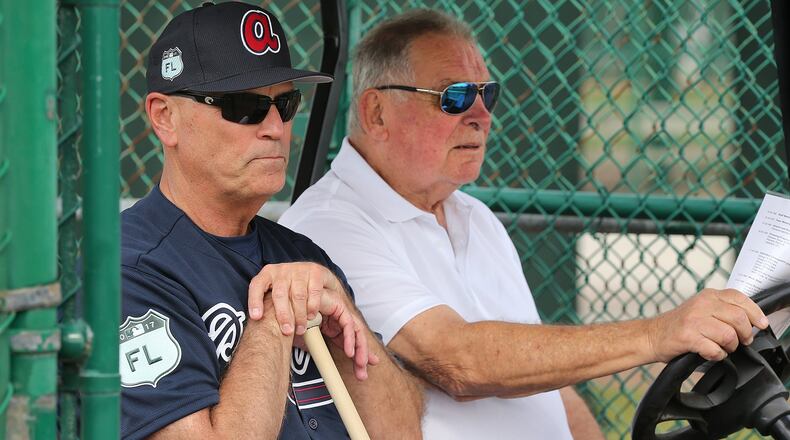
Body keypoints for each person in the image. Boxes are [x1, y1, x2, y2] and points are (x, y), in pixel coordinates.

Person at [279, 9, 770, 439]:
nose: (479, 114)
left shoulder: (475, 216)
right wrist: (656, 335)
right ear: (376, 111)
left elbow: (549, 389)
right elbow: (456, 361)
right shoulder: (327, 226)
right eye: (453, 97)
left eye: (486, 93)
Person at [120, 2, 423, 439]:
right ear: (165, 117)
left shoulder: (302, 256)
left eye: (286, 103)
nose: (276, 127)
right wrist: (273, 322)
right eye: (244, 107)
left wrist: (342, 325)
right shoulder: (130, 272)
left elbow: (403, 432)